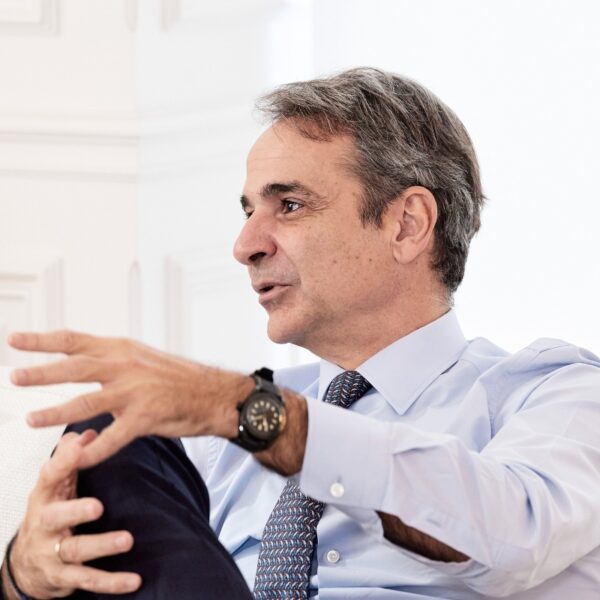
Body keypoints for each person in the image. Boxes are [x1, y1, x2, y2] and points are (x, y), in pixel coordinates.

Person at [2, 67, 600, 599]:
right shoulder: (216, 444)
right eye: (248, 212)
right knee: (110, 431)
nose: (245, 246)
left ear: (407, 224)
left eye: (288, 205)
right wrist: (22, 574)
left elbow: (512, 536)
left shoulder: (552, 392)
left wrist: (252, 413)